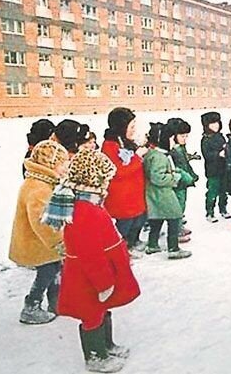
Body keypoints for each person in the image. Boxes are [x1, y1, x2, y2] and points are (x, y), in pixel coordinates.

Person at [42, 149, 140, 373]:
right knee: (92, 315)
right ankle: (95, 356)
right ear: (93, 179)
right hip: (90, 279)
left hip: (100, 273)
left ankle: (107, 345)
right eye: (105, 178)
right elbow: (90, 254)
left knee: (103, 309)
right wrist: (103, 282)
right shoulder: (84, 211)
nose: (108, 183)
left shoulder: (90, 203)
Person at [9, 140, 70, 325]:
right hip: (38, 243)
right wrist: (58, 243)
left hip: (42, 242)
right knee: (48, 271)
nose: (67, 167)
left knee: (54, 269)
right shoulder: (38, 189)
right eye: (63, 164)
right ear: (50, 164)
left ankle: (56, 303)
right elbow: (43, 223)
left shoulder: (43, 182)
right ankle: (31, 305)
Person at [101, 108, 148, 257]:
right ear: (122, 126)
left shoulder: (125, 141)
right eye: (131, 126)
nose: (134, 130)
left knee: (139, 220)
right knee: (125, 224)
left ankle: (132, 243)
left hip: (134, 194)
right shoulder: (110, 145)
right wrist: (137, 157)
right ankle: (119, 249)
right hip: (122, 196)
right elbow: (118, 170)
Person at [142, 123, 192, 259]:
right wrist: (174, 177)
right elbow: (157, 177)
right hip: (162, 194)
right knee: (175, 217)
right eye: (170, 139)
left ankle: (152, 244)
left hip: (155, 194)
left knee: (157, 219)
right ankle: (173, 248)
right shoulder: (159, 157)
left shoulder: (155, 153)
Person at [168, 118, 199, 238]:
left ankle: (179, 224)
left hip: (184, 181)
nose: (185, 139)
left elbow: (185, 162)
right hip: (178, 182)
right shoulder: (173, 150)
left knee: (182, 203)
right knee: (178, 205)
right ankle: (176, 229)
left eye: (187, 136)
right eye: (182, 136)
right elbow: (177, 166)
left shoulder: (181, 148)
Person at [200, 112, 230, 223]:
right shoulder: (205, 139)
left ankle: (223, 208)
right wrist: (218, 154)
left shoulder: (220, 136)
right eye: (212, 124)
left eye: (217, 123)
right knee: (212, 191)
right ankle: (210, 211)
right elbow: (206, 154)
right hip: (213, 170)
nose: (215, 126)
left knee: (224, 191)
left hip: (223, 168)